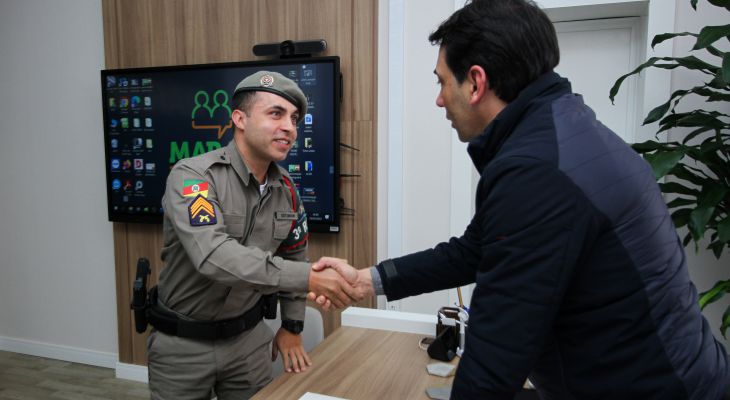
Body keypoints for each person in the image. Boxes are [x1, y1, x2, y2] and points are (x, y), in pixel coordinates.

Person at [310, 0, 730, 399]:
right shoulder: (561, 132)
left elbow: (494, 360)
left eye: (442, 81)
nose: (439, 99)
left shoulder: (536, 170)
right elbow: (473, 251)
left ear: (476, 82)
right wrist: (367, 280)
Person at [147, 70, 362, 400]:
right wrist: (309, 278)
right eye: (276, 113)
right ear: (240, 119)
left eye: (294, 118)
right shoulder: (194, 178)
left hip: (248, 343)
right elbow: (213, 255)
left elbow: (295, 256)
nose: (289, 127)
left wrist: (292, 326)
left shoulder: (287, 190)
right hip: (183, 346)